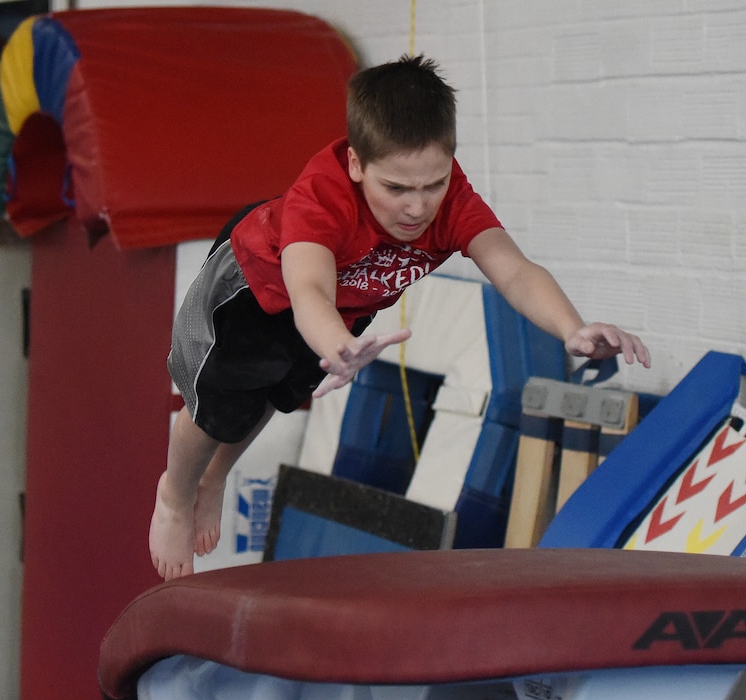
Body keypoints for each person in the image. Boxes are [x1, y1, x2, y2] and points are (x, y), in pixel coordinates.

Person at [149, 54, 650, 581]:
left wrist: (573, 328)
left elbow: (515, 271)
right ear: (357, 165)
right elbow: (308, 287)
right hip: (256, 286)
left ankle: (215, 480)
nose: (418, 208)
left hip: (340, 316)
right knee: (214, 411)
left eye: (433, 184)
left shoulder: (452, 200)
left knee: (272, 396)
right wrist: (334, 342)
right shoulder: (323, 195)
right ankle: (176, 495)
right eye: (397, 189)